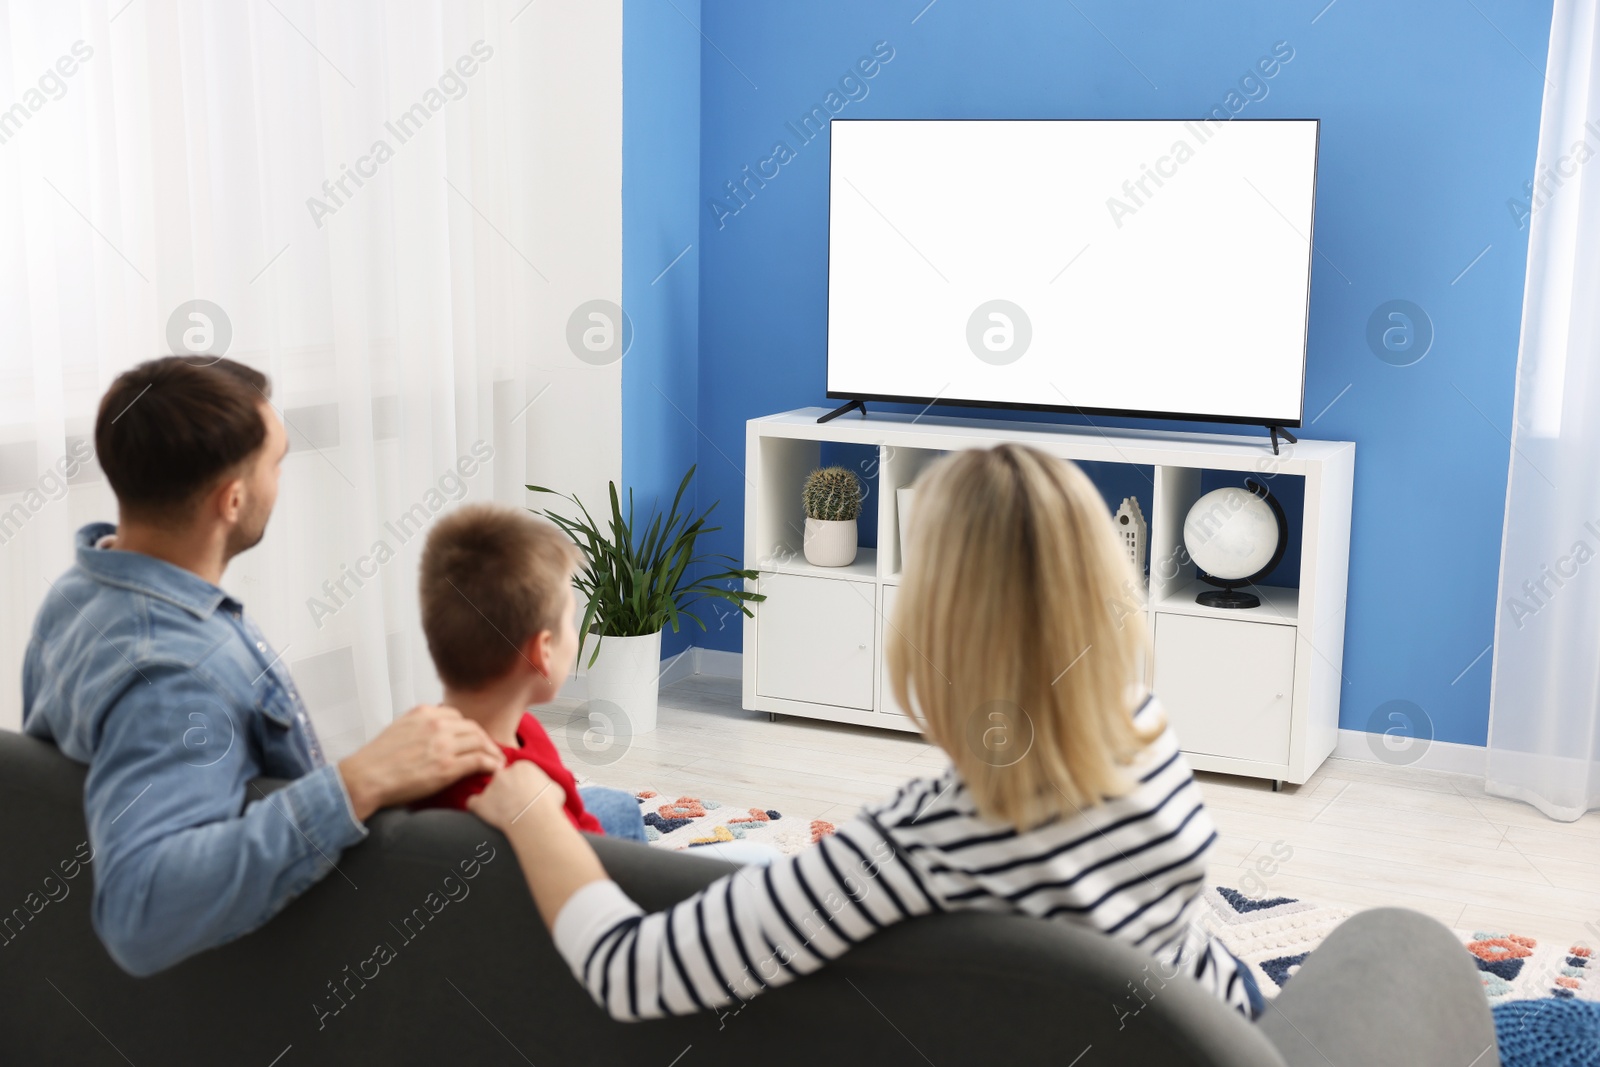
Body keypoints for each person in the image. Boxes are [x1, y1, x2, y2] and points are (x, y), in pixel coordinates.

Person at [468, 442, 1265, 1021]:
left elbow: (631, 973)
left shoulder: (924, 841)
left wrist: (533, 811)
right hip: (1228, 1028)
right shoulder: (1142, 728)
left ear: (935, 620)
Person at [22, 356, 506, 977]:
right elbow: (140, 912)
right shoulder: (180, 676)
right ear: (233, 499)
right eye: (276, 464)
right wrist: (357, 782)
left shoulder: (79, 592)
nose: (281, 479)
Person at [407, 503, 643, 839]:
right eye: (571, 621)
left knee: (614, 804)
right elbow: (593, 862)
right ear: (542, 652)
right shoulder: (527, 762)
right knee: (623, 811)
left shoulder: (412, 755)